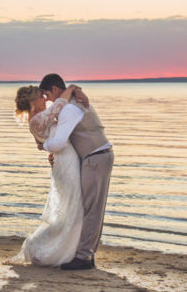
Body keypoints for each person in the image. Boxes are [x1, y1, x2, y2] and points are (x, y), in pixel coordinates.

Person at [39, 73, 113, 270]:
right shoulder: (72, 103)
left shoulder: (69, 109)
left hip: (95, 158)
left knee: (91, 209)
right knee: (90, 207)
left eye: (47, 95)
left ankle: (84, 257)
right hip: (95, 156)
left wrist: (44, 145)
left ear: (55, 90)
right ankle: (86, 252)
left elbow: (59, 142)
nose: (47, 101)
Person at [9, 84, 84, 266]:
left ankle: (68, 248)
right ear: (33, 102)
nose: (45, 99)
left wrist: (47, 148)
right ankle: (47, 248)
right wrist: (73, 88)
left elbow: (40, 145)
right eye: (41, 97)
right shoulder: (37, 119)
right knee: (71, 208)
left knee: (71, 208)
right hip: (66, 163)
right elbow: (60, 102)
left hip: (64, 161)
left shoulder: (36, 119)